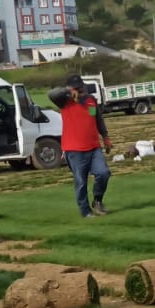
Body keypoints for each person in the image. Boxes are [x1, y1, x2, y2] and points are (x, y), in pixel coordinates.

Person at [47, 74, 114, 218]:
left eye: (81, 88)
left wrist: (106, 138)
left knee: (103, 173)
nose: (80, 92)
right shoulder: (64, 102)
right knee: (81, 182)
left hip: (94, 147)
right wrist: (68, 93)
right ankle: (86, 212)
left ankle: (98, 201)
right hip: (74, 150)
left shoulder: (91, 101)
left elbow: (97, 120)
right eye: (76, 89)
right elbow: (51, 94)